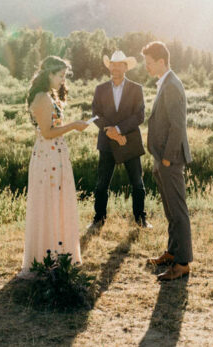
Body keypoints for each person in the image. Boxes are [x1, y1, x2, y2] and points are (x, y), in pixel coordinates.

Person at [18, 55, 88, 278]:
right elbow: (47, 133)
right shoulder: (41, 98)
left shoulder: (49, 96)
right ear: (48, 74)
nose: (62, 80)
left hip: (55, 156)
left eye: (64, 76)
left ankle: (57, 254)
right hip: (48, 157)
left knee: (56, 202)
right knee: (48, 202)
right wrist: (73, 126)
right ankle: (45, 257)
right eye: (59, 75)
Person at [142, 40, 193, 281]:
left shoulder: (172, 85)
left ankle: (182, 264)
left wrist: (167, 160)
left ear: (162, 61)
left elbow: (177, 125)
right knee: (170, 209)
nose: (146, 67)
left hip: (169, 159)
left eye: (149, 63)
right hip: (161, 157)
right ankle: (173, 253)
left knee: (178, 211)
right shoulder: (165, 82)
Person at [89, 50, 150, 231]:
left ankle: (140, 219)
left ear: (125, 67)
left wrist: (119, 130)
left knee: (137, 183)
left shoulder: (136, 88)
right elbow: (95, 114)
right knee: (102, 184)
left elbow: (139, 115)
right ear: (110, 67)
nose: (115, 68)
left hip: (129, 140)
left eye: (119, 65)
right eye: (113, 65)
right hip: (107, 142)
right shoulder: (100, 89)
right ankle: (98, 219)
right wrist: (111, 132)